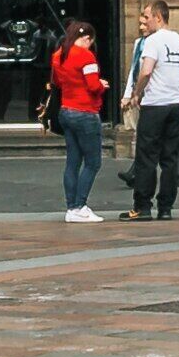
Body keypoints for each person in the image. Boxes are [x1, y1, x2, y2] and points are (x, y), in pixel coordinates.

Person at [118, 0, 179, 224]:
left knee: (146, 156)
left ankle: (142, 206)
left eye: (147, 17)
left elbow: (146, 71)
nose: (144, 22)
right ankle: (166, 207)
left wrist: (135, 94)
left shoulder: (153, 41)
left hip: (155, 105)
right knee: (170, 158)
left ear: (159, 17)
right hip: (174, 104)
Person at [48, 14, 107, 222]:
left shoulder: (58, 56)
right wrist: (102, 85)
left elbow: (57, 82)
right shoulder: (86, 57)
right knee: (93, 162)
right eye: (90, 40)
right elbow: (92, 86)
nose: (91, 44)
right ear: (86, 38)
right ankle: (80, 205)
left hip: (66, 111)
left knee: (72, 161)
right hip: (85, 113)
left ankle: (71, 207)